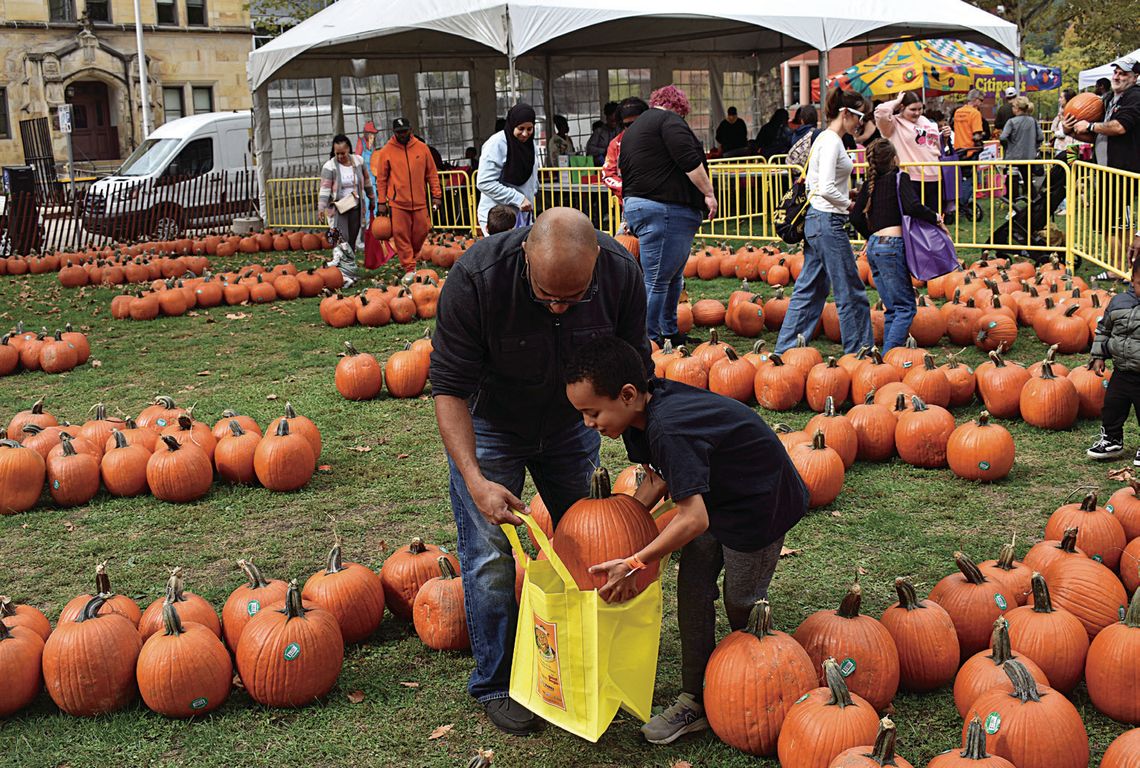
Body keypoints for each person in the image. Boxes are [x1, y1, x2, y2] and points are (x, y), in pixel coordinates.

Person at [429, 208, 653, 736]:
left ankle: (584, 662)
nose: (558, 306)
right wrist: (474, 479)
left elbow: (635, 371)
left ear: (595, 263)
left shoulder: (621, 272)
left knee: (590, 547)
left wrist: (649, 456)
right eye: (547, 295)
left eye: (573, 298)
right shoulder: (477, 278)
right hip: (493, 424)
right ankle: (497, 681)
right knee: (489, 557)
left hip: (573, 424)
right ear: (526, 252)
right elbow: (449, 389)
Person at [563, 335, 807, 745]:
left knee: (741, 601)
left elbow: (693, 519)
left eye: (592, 412)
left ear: (627, 395)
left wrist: (635, 561)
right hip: (715, 494)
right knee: (692, 590)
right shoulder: (637, 419)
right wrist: (621, 523)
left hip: (760, 503)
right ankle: (695, 699)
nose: (588, 423)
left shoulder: (668, 428)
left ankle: (762, 686)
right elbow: (658, 479)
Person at [775, 88, 874, 355]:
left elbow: (819, 184)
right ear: (846, 114)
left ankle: (785, 351)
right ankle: (860, 352)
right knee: (850, 290)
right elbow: (826, 188)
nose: (860, 124)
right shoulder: (831, 141)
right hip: (828, 221)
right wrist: (849, 205)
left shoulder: (824, 139)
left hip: (818, 221)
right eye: (860, 118)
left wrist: (846, 194)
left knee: (810, 290)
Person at [619, 85, 718, 346]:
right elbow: (688, 159)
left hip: (640, 205)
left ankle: (669, 331)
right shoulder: (669, 121)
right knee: (657, 280)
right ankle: (647, 339)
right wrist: (708, 193)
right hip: (665, 209)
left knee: (672, 277)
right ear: (678, 107)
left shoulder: (634, 130)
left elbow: (625, 169)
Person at [850, 139, 946, 352]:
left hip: (875, 247)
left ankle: (886, 357)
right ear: (894, 159)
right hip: (892, 247)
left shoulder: (869, 185)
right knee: (905, 307)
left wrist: (870, 236)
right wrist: (935, 217)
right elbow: (912, 206)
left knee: (893, 308)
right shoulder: (899, 177)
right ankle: (888, 357)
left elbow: (855, 217)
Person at [1065, 55, 1140, 268]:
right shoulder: (1107, 99)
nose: (1117, 76)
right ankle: (1116, 266)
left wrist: (1089, 126)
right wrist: (1071, 130)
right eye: (1115, 72)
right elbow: (1096, 136)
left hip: (1123, 172)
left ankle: (1128, 268)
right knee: (1105, 223)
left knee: (1120, 223)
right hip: (1104, 172)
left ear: (1135, 77)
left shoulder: (1135, 96)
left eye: (1123, 74)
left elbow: (1120, 127)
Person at [371, 117, 442, 273]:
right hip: (398, 203)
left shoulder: (422, 148)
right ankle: (409, 267)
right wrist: (381, 202)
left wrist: (436, 195)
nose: (402, 134)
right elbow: (381, 179)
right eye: (399, 132)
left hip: (420, 201)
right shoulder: (386, 151)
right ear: (393, 132)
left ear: (411, 130)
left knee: (422, 231)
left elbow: (432, 174)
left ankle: (412, 258)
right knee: (401, 235)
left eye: (405, 131)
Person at [1088, 256, 1140, 461]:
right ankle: (1112, 439)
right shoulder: (1118, 302)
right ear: (1132, 280)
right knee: (1112, 407)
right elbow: (1104, 330)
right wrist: (1098, 355)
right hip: (1121, 371)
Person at [318, 133, 375, 289]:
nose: (340, 156)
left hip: (355, 206)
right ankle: (340, 273)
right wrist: (321, 208)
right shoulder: (329, 166)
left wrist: (372, 197)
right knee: (340, 240)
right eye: (337, 153)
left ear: (349, 149)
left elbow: (367, 181)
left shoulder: (359, 161)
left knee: (352, 240)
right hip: (337, 208)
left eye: (343, 153)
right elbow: (324, 189)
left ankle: (348, 272)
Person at [874, 91, 949, 211]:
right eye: (913, 109)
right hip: (910, 178)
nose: (917, 113)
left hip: (935, 177)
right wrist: (897, 101)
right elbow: (881, 112)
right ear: (902, 107)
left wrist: (943, 138)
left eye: (920, 109)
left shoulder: (925, 120)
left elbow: (934, 147)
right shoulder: (893, 123)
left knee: (935, 217)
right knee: (912, 218)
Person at [476, 104, 538, 236]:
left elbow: (532, 178)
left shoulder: (531, 144)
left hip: (522, 216)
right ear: (512, 125)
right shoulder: (496, 144)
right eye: (520, 128)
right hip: (498, 218)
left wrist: (529, 199)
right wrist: (518, 198)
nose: (525, 134)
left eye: (529, 129)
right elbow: (484, 182)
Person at [602, 97, 650, 204]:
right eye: (628, 125)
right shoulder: (615, 144)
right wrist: (629, 190)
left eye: (638, 123)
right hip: (632, 203)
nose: (634, 128)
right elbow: (608, 175)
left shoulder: (660, 138)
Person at [1000, 97, 1044, 202]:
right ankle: (1035, 201)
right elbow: (1041, 137)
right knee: (1028, 181)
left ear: (1017, 109)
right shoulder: (1033, 121)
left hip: (1013, 158)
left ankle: (1013, 202)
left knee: (1012, 180)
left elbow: (1003, 137)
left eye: (1013, 107)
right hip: (1029, 156)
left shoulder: (1011, 122)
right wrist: (1034, 146)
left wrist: (1007, 146)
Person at [1051, 89, 1079, 155]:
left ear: (1068, 99)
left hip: (1070, 147)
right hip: (1060, 148)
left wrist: (1057, 133)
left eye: (1061, 97)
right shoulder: (1060, 114)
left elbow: (1063, 133)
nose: (1059, 100)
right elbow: (1053, 129)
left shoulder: (1074, 114)